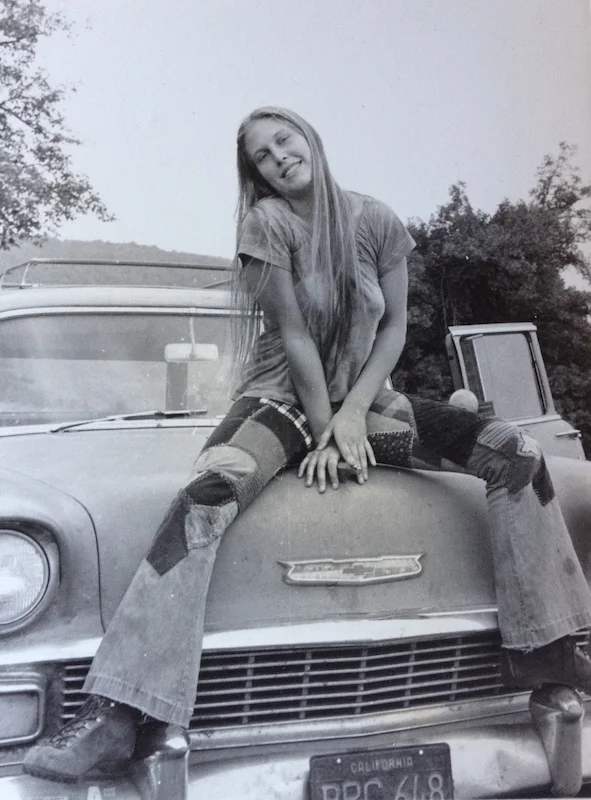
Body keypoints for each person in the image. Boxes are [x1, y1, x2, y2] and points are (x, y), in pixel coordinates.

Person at [24, 106, 591, 783]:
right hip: (279, 401)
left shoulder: (377, 221)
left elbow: (392, 330)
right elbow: (294, 337)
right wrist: (325, 429)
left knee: (513, 453)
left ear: (310, 139)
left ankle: (545, 648)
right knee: (205, 497)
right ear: (256, 174)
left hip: (364, 403)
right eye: (262, 157)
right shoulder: (266, 224)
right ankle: (119, 713)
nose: (278, 158)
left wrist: (352, 419)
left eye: (283, 141)